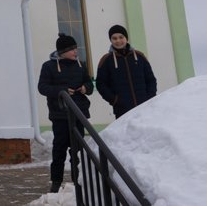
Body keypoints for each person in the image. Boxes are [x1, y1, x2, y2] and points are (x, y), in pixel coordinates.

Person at [37, 33, 92, 194]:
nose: (75, 51)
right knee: (59, 149)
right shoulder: (48, 66)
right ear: (62, 51)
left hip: (79, 113)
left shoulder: (80, 65)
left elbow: (89, 84)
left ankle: (78, 181)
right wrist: (61, 91)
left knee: (78, 151)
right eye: (71, 49)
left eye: (75, 48)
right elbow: (42, 87)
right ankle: (56, 182)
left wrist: (85, 88)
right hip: (60, 114)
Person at [96, 24, 157, 118]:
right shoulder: (106, 60)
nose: (118, 41)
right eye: (114, 38)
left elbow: (151, 79)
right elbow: (101, 84)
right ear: (111, 40)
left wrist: (149, 97)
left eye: (121, 37)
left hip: (144, 107)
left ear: (126, 38)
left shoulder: (139, 56)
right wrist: (115, 100)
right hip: (122, 110)